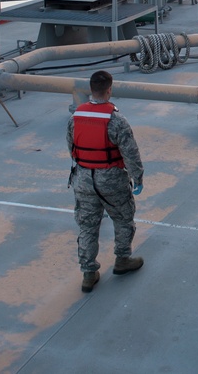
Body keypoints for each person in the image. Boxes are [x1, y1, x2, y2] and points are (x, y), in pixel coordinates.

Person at [67, 70, 144, 293]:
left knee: (87, 226)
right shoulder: (117, 120)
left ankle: (89, 273)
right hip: (111, 179)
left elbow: (71, 146)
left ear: (91, 90)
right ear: (109, 90)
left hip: (83, 179)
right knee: (122, 218)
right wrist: (137, 177)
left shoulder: (76, 117)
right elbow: (131, 153)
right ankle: (122, 260)